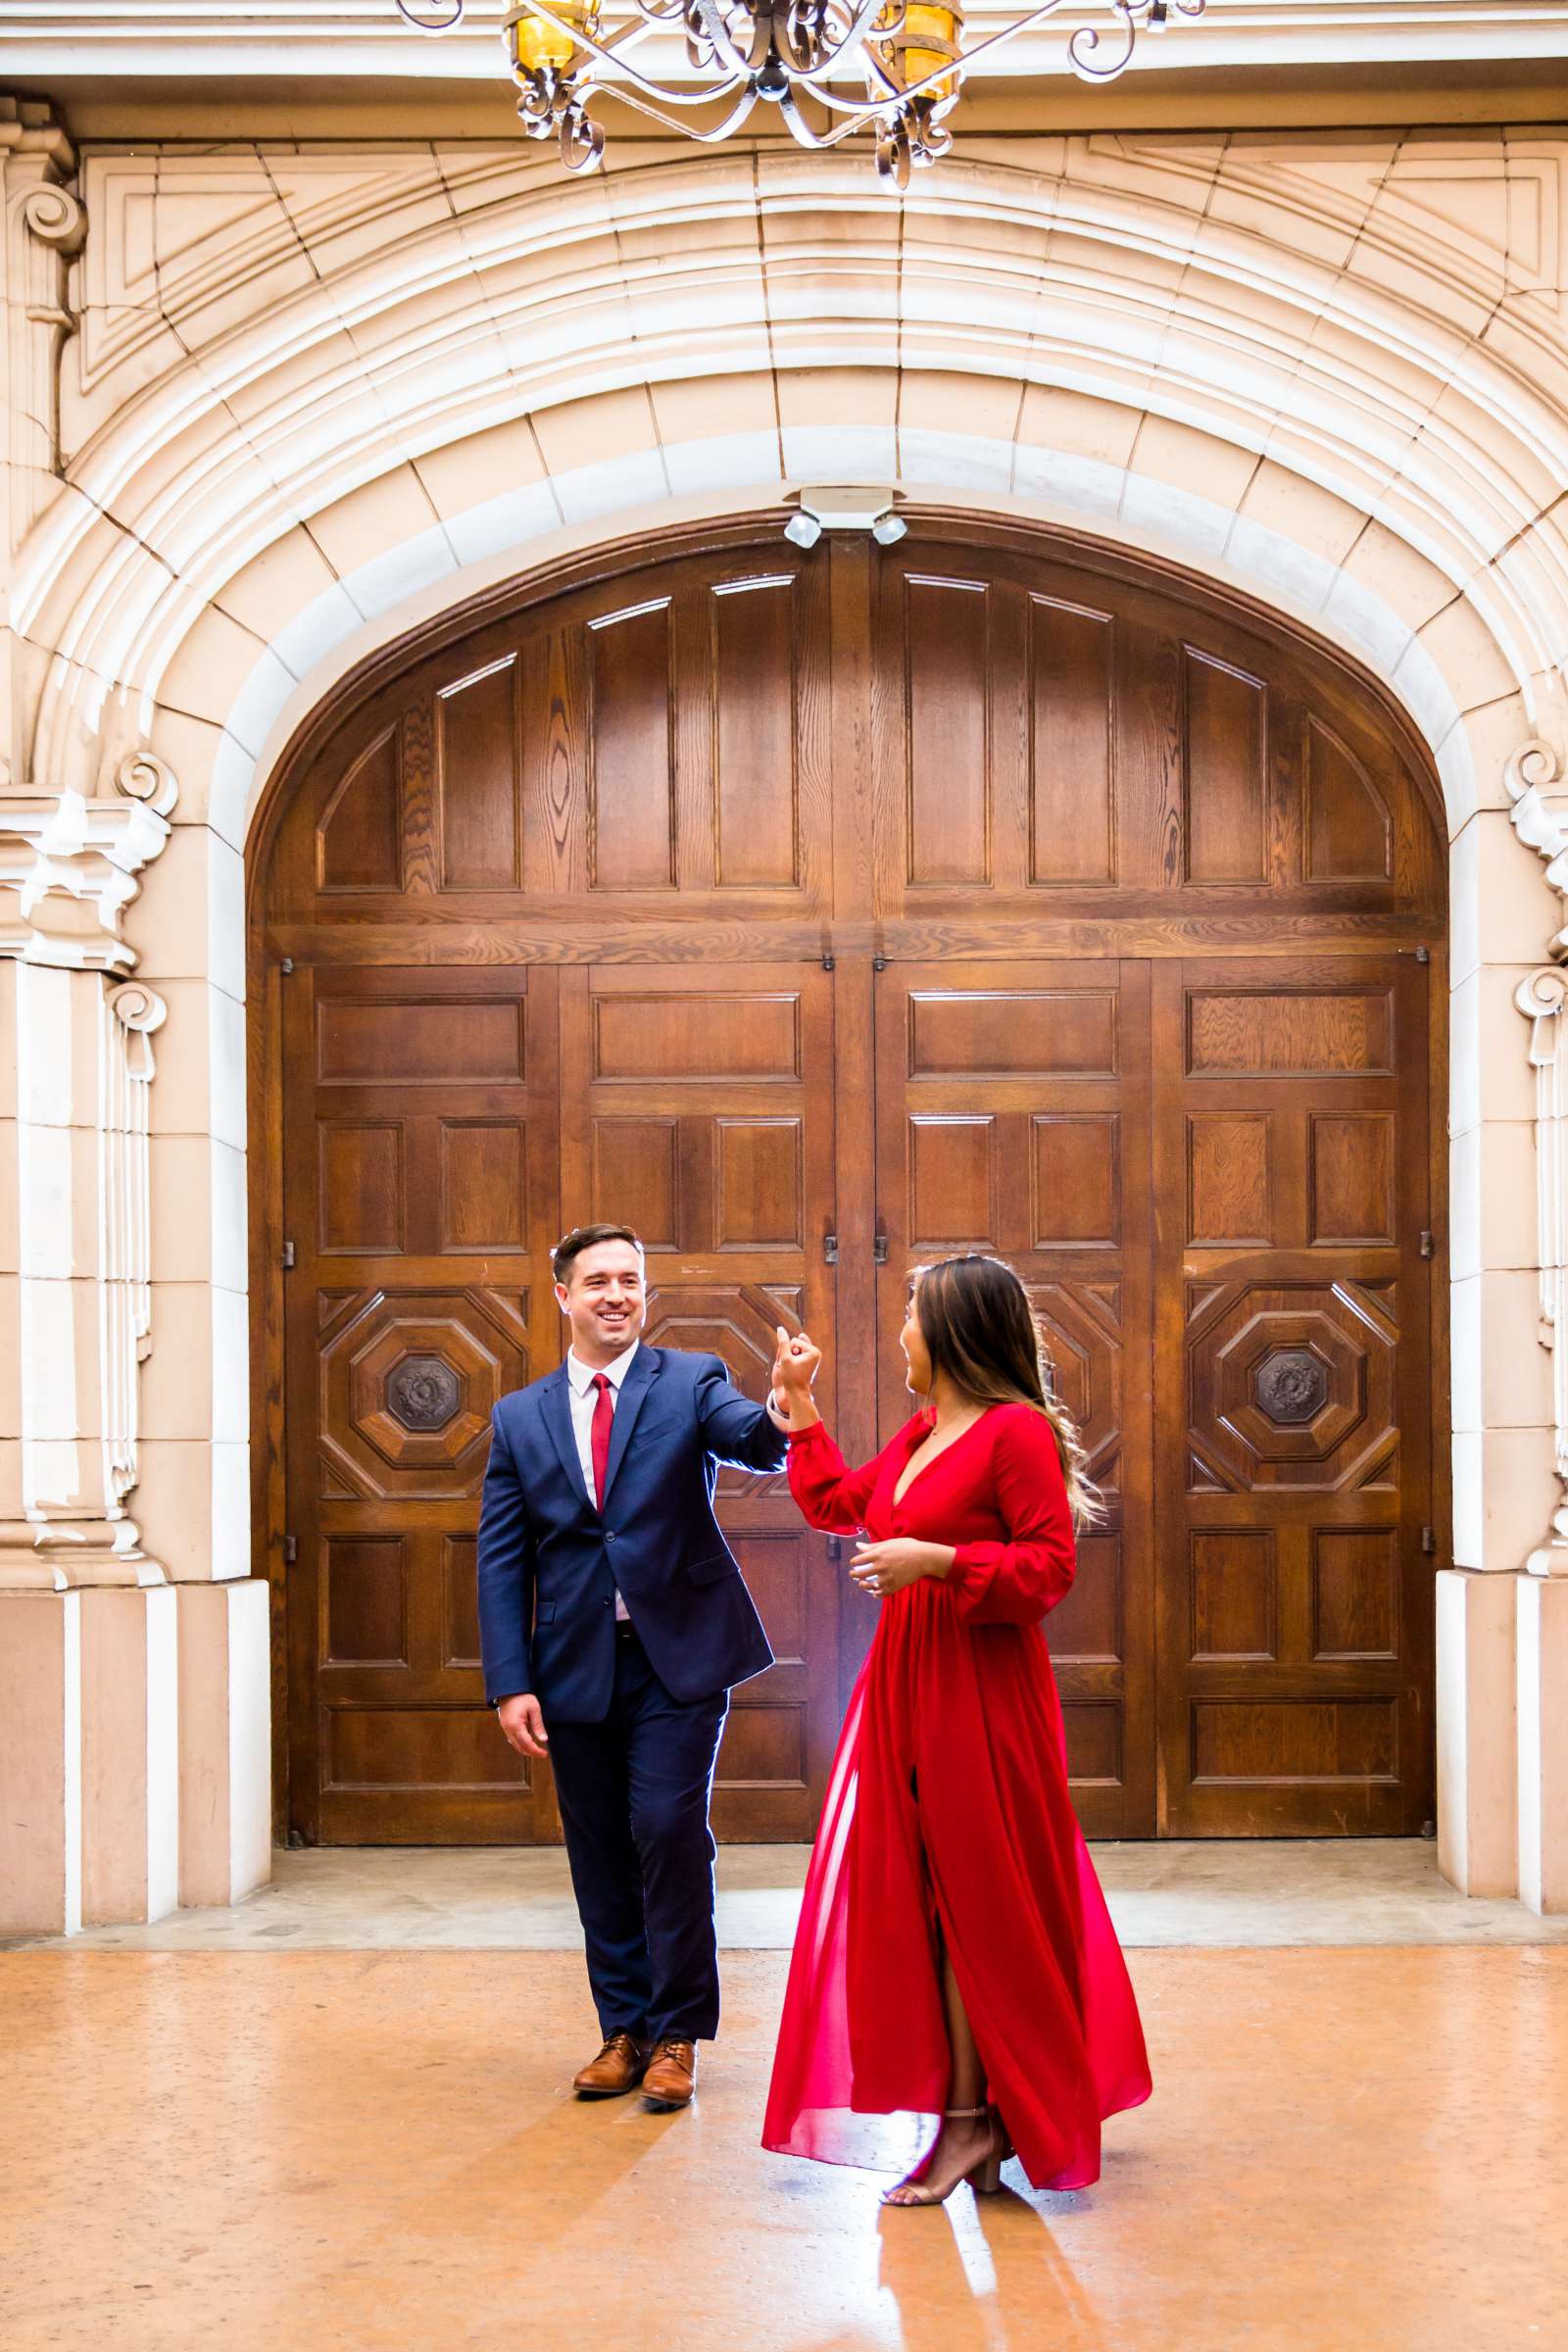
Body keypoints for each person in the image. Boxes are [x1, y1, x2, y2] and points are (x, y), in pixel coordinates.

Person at [761, 1252, 1152, 2204]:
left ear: (953, 1333)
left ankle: (973, 2128)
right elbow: (842, 1507)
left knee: (977, 1904)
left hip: (981, 1691)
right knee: (927, 1902)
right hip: (906, 1684)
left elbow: (1047, 1571)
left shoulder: (1014, 1435)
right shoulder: (925, 1431)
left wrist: (936, 1560)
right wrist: (799, 1408)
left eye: (910, 1316)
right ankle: (965, 2116)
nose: (900, 1332)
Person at [477, 1222, 788, 2110]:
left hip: (677, 1659)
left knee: (664, 1827)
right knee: (601, 1851)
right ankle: (624, 2029)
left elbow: (751, 1440)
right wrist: (510, 1679)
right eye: (599, 1280)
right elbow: (503, 1558)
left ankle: (679, 2034)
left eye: (631, 1280)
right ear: (565, 1296)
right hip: (571, 1666)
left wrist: (783, 1407)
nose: (617, 1294)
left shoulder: (689, 1382)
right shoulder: (519, 1417)